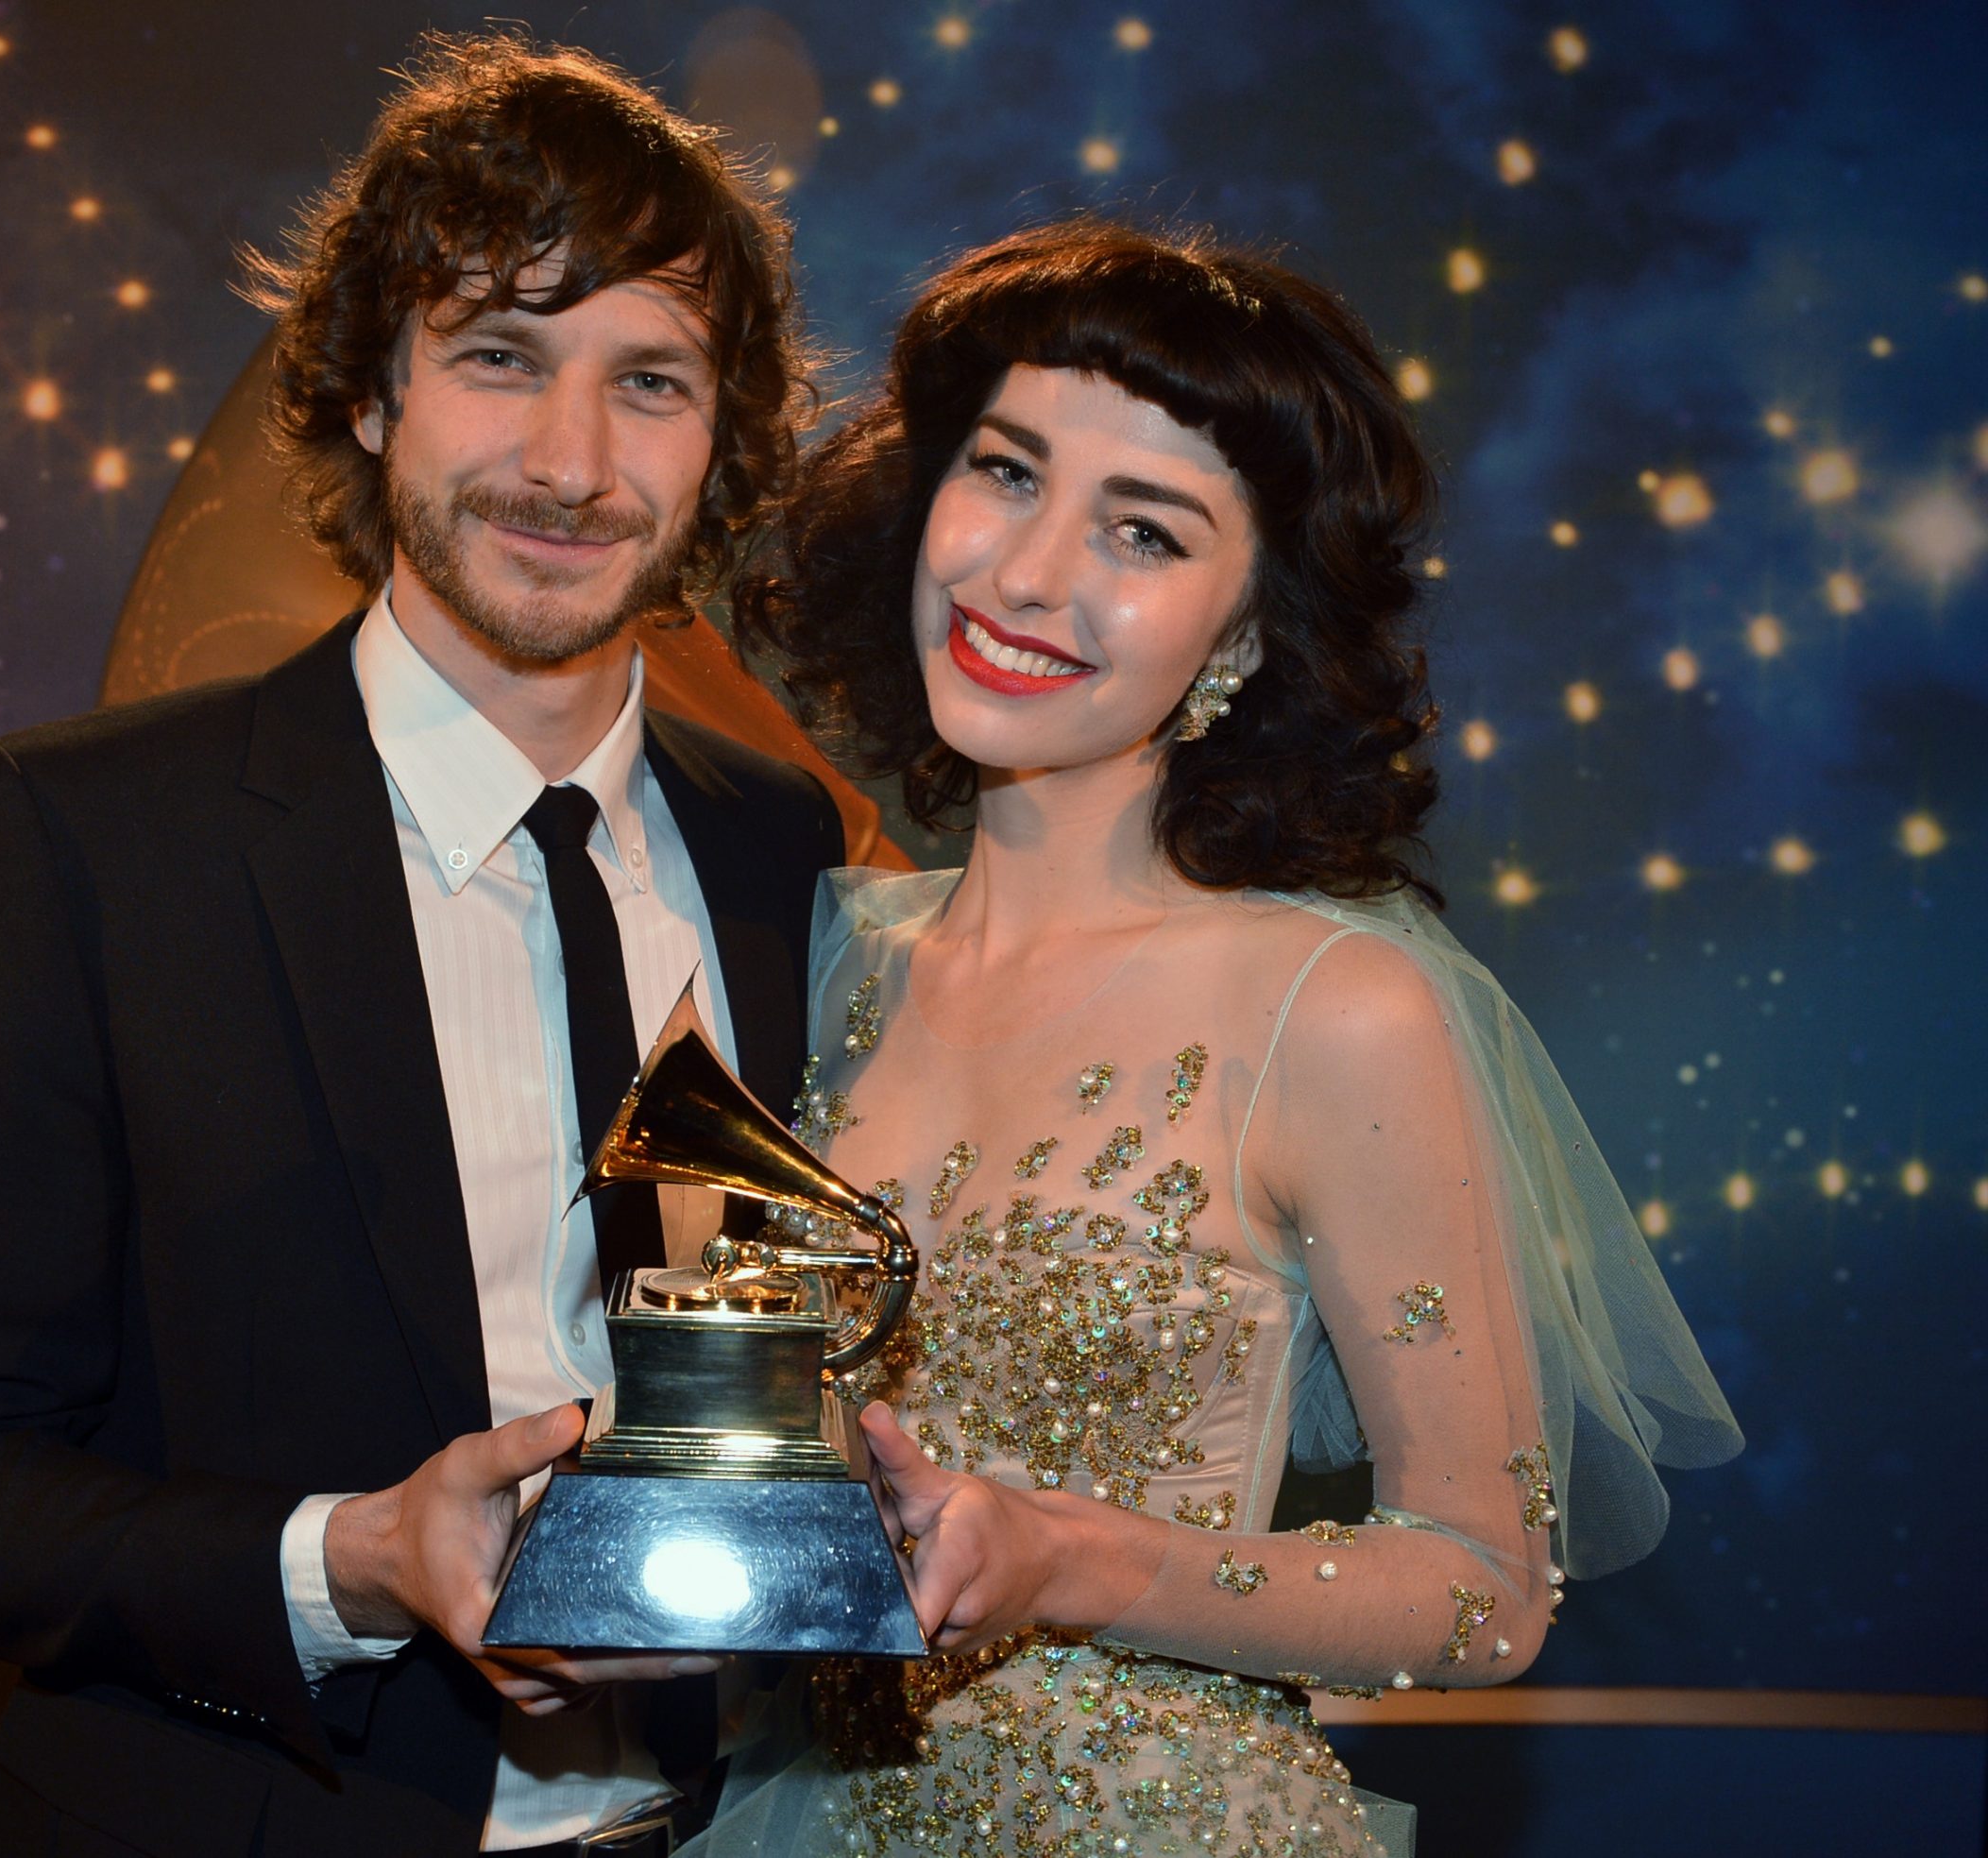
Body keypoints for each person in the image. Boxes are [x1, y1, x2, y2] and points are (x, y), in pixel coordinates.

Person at [0, 35, 841, 1857]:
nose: (571, 463)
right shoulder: (77, 837)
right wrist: (354, 1560)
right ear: (372, 391)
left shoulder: (783, 845)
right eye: (499, 356)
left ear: (725, 440)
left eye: (651, 382)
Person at [706, 220, 1743, 1855]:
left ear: (1244, 634)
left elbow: (1485, 1590)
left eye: (1144, 529)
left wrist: (1072, 1558)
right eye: (1006, 472)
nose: (1028, 573)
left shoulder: (1331, 1008)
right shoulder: (818, 962)